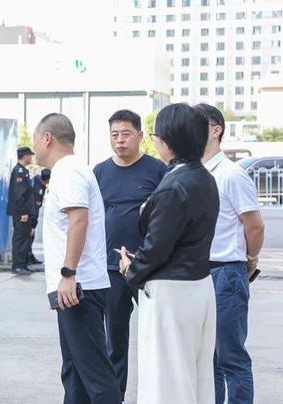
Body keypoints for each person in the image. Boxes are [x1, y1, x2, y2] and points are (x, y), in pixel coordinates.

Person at [119, 103, 219, 404]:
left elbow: (156, 249)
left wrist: (130, 270)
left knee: (166, 381)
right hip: (199, 285)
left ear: (167, 140)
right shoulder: (205, 178)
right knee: (196, 378)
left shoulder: (174, 185)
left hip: (171, 292)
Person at [33, 112, 121, 404]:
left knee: (95, 372)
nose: (34, 147)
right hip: (72, 287)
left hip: (77, 286)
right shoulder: (69, 170)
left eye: (35, 140)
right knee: (75, 370)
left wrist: (68, 274)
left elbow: (78, 221)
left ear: (47, 138)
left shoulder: (68, 171)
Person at [93, 109, 167, 400]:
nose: (120, 140)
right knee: (115, 341)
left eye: (126, 134)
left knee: (156, 336)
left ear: (139, 136)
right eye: (114, 135)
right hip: (111, 268)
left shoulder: (158, 171)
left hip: (149, 267)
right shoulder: (99, 172)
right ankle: (116, 396)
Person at [196, 103, 265, 404]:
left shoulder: (231, 175)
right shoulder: (197, 173)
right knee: (207, 358)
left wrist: (248, 262)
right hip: (200, 273)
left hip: (227, 273)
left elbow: (255, 226)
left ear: (216, 130)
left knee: (230, 356)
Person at [7, 146, 36, 275]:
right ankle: (18, 266)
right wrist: (23, 212)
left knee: (24, 239)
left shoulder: (23, 171)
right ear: (25, 156)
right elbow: (19, 194)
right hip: (21, 213)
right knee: (20, 239)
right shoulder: (19, 171)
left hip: (24, 212)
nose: (31, 157)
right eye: (30, 155)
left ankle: (22, 265)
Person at [28, 168, 50, 265]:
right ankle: (27, 258)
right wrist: (32, 224)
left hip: (33, 214)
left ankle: (30, 256)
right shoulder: (36, 187)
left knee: (31, 238)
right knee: (28, 237)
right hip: (30, 214)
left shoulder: (40, 184)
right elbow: (34, 206)